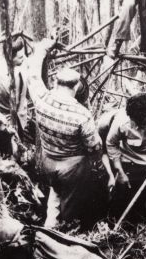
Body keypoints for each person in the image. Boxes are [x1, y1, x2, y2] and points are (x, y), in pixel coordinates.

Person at [26, 38, 103, 229]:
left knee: (55, 191)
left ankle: (49, 226)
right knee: (70, 204)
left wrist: (41, 49)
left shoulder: (41, 98)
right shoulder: (81, 114)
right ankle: (65, 232)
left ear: (55, 82)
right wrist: (97, 163)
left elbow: (32, 75)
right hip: (72, 168)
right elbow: (95, 147)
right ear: (77, 86)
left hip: (48, 162)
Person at [106, 92, 146, 222]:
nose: (138, 124)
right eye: (135, 120)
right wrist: (120, 171)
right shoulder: (121, 121)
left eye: (142, 121)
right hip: (131, 161)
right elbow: (111, 144)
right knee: (124, 198)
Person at [0, 36, 28, 158]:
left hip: (20, 115)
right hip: (3, 119)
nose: (23, 59)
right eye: (20, 57)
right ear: (10, 57)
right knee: (8, 150)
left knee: (20, 144)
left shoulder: (22, 67)